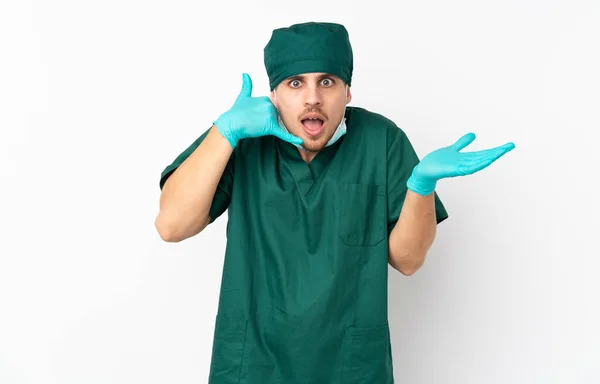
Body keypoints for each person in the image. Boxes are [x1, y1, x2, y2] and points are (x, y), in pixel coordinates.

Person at [155, 22, 515, 384]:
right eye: (295, 83)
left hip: (349, 367)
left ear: (348, 92)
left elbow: (407, 260)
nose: (312, 97)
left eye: (326, 81)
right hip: (253, 367)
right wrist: (225, 131)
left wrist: (420, 186)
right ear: (274, 95)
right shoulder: (242, 139)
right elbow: (171, 226)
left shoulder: (382, 141)